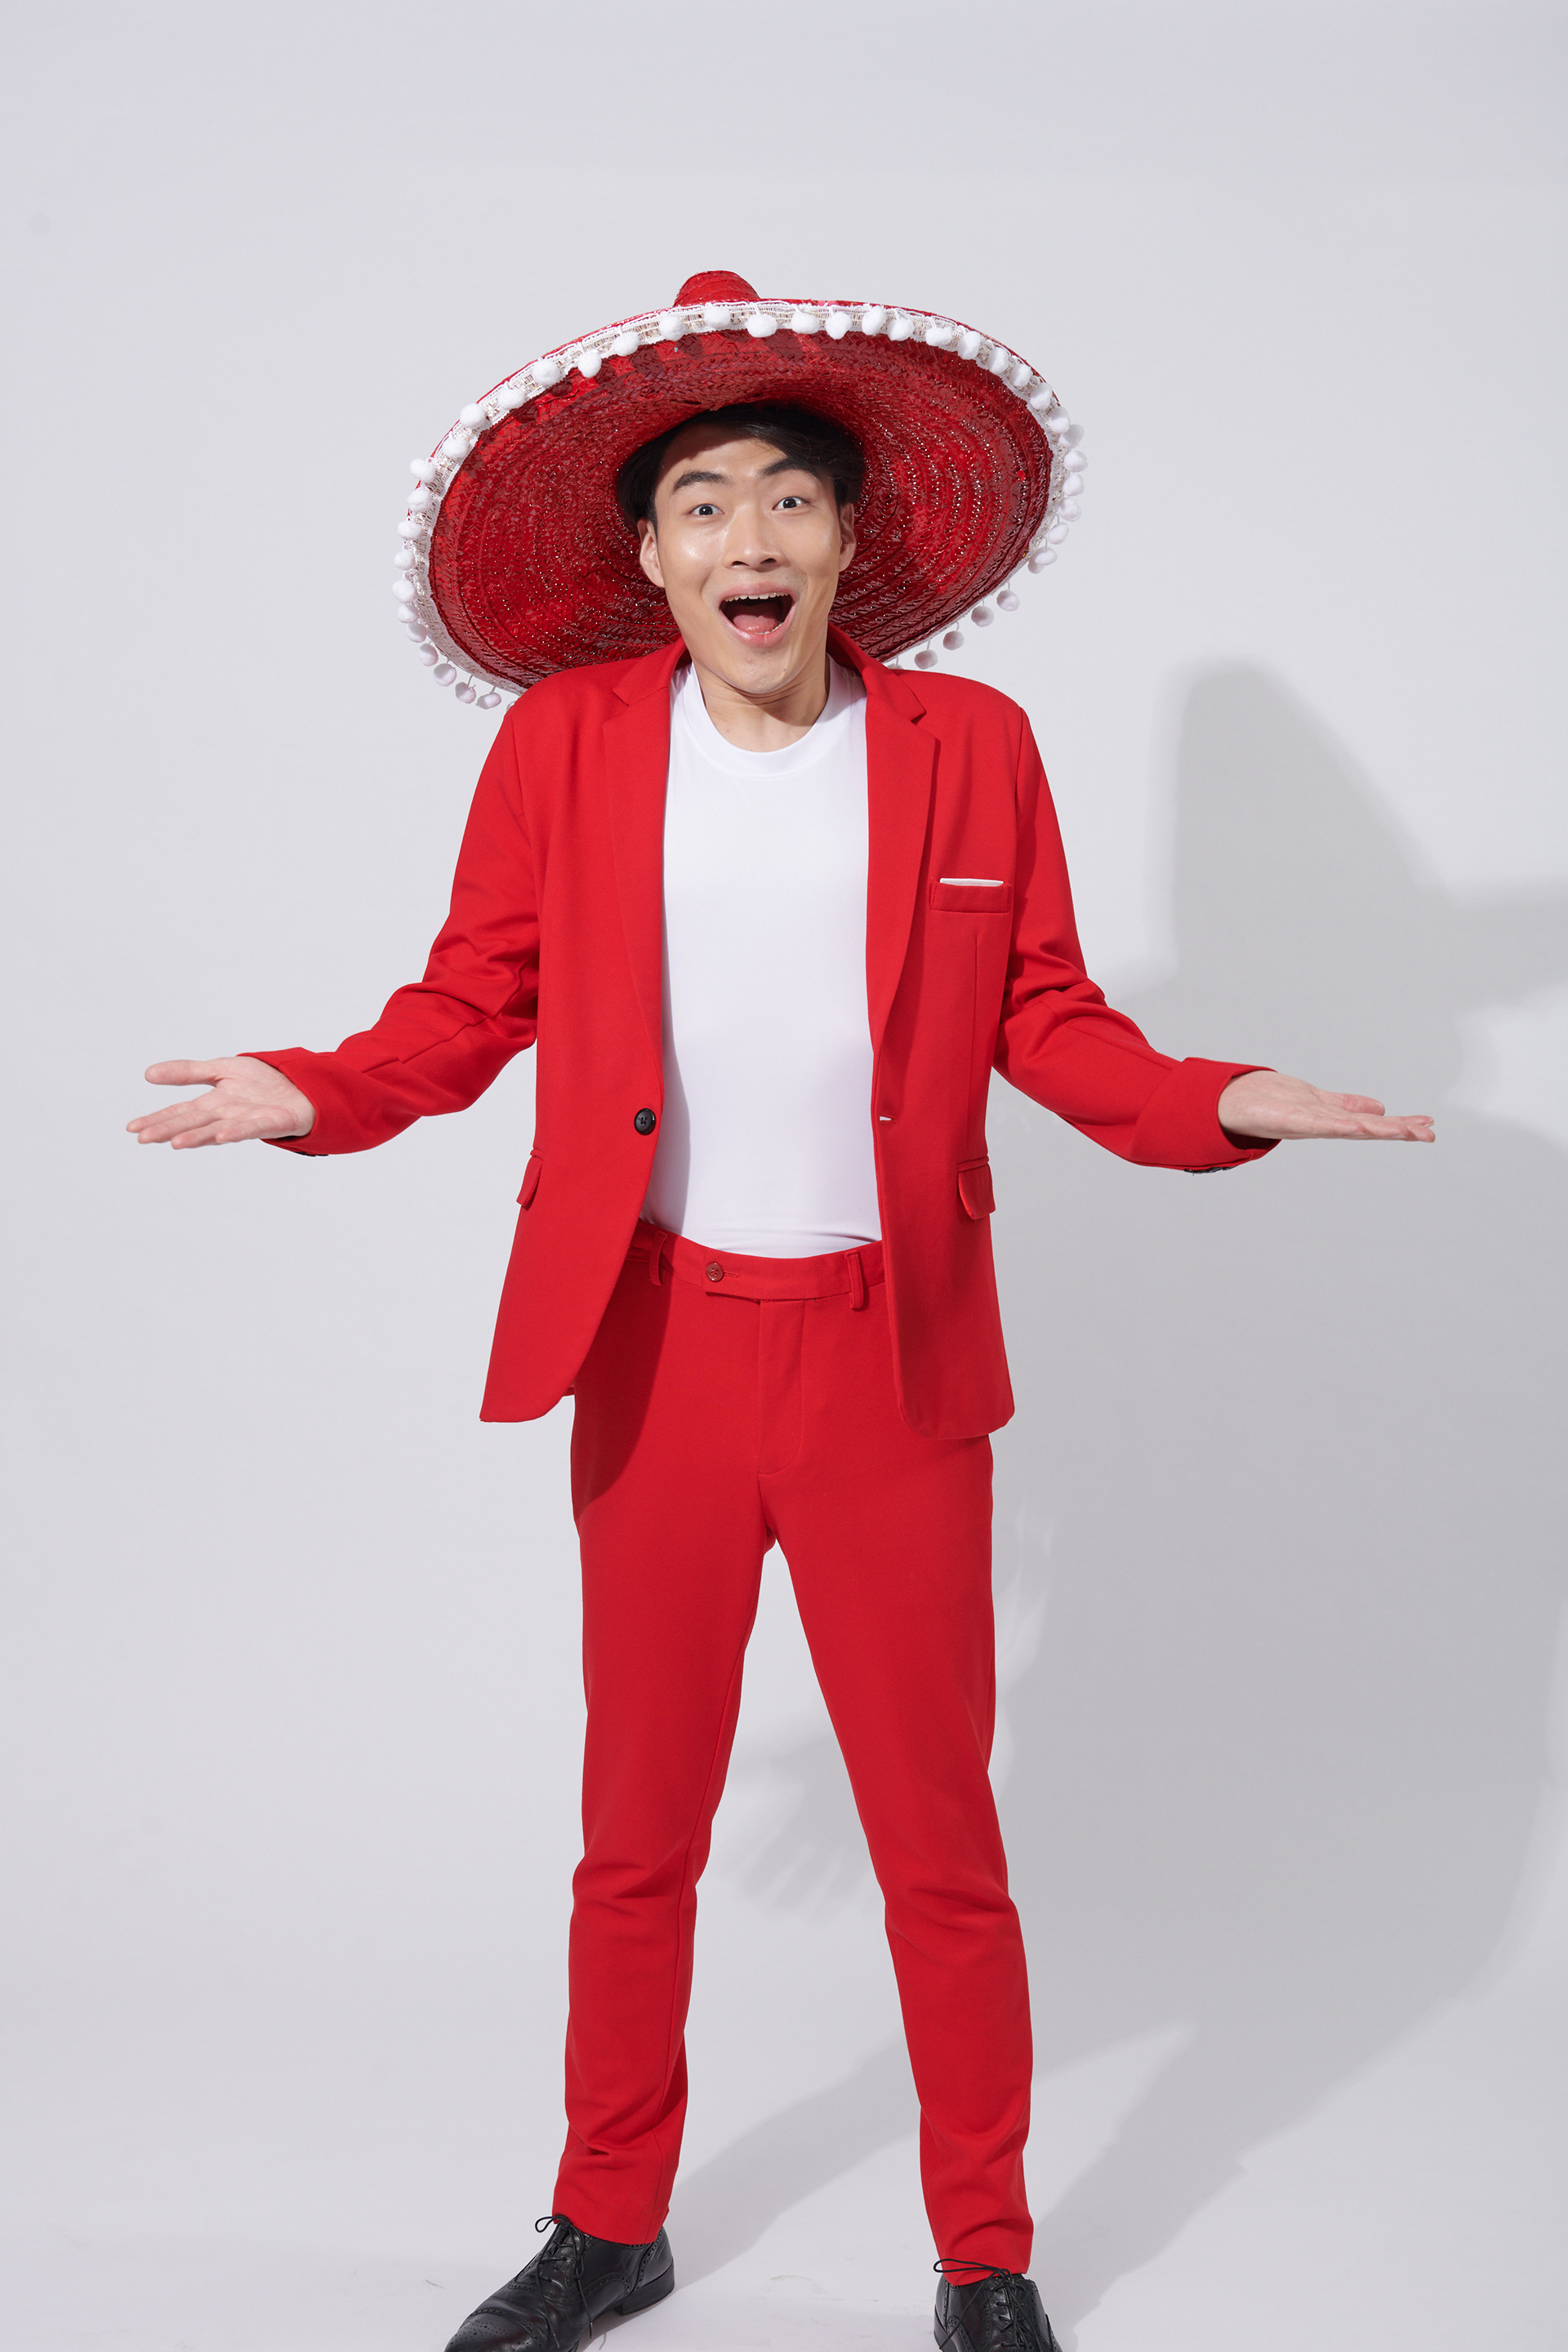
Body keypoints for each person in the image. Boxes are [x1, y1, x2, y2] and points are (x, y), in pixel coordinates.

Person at [127, 271, 1433, 2352]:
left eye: (791, 501)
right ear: (650, 558)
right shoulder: (566, 745)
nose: (752, 537)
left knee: (942, 1843)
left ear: (846, 544)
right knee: (633, 1837)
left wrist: (1219, 1103)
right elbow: (468, 1003)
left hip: (888, 1364)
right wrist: (316, 1091)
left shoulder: (970, 747)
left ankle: (985, 2251)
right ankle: (607, 2221)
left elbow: (1047, 1017)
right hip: (650, 1349)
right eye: (708, 504)